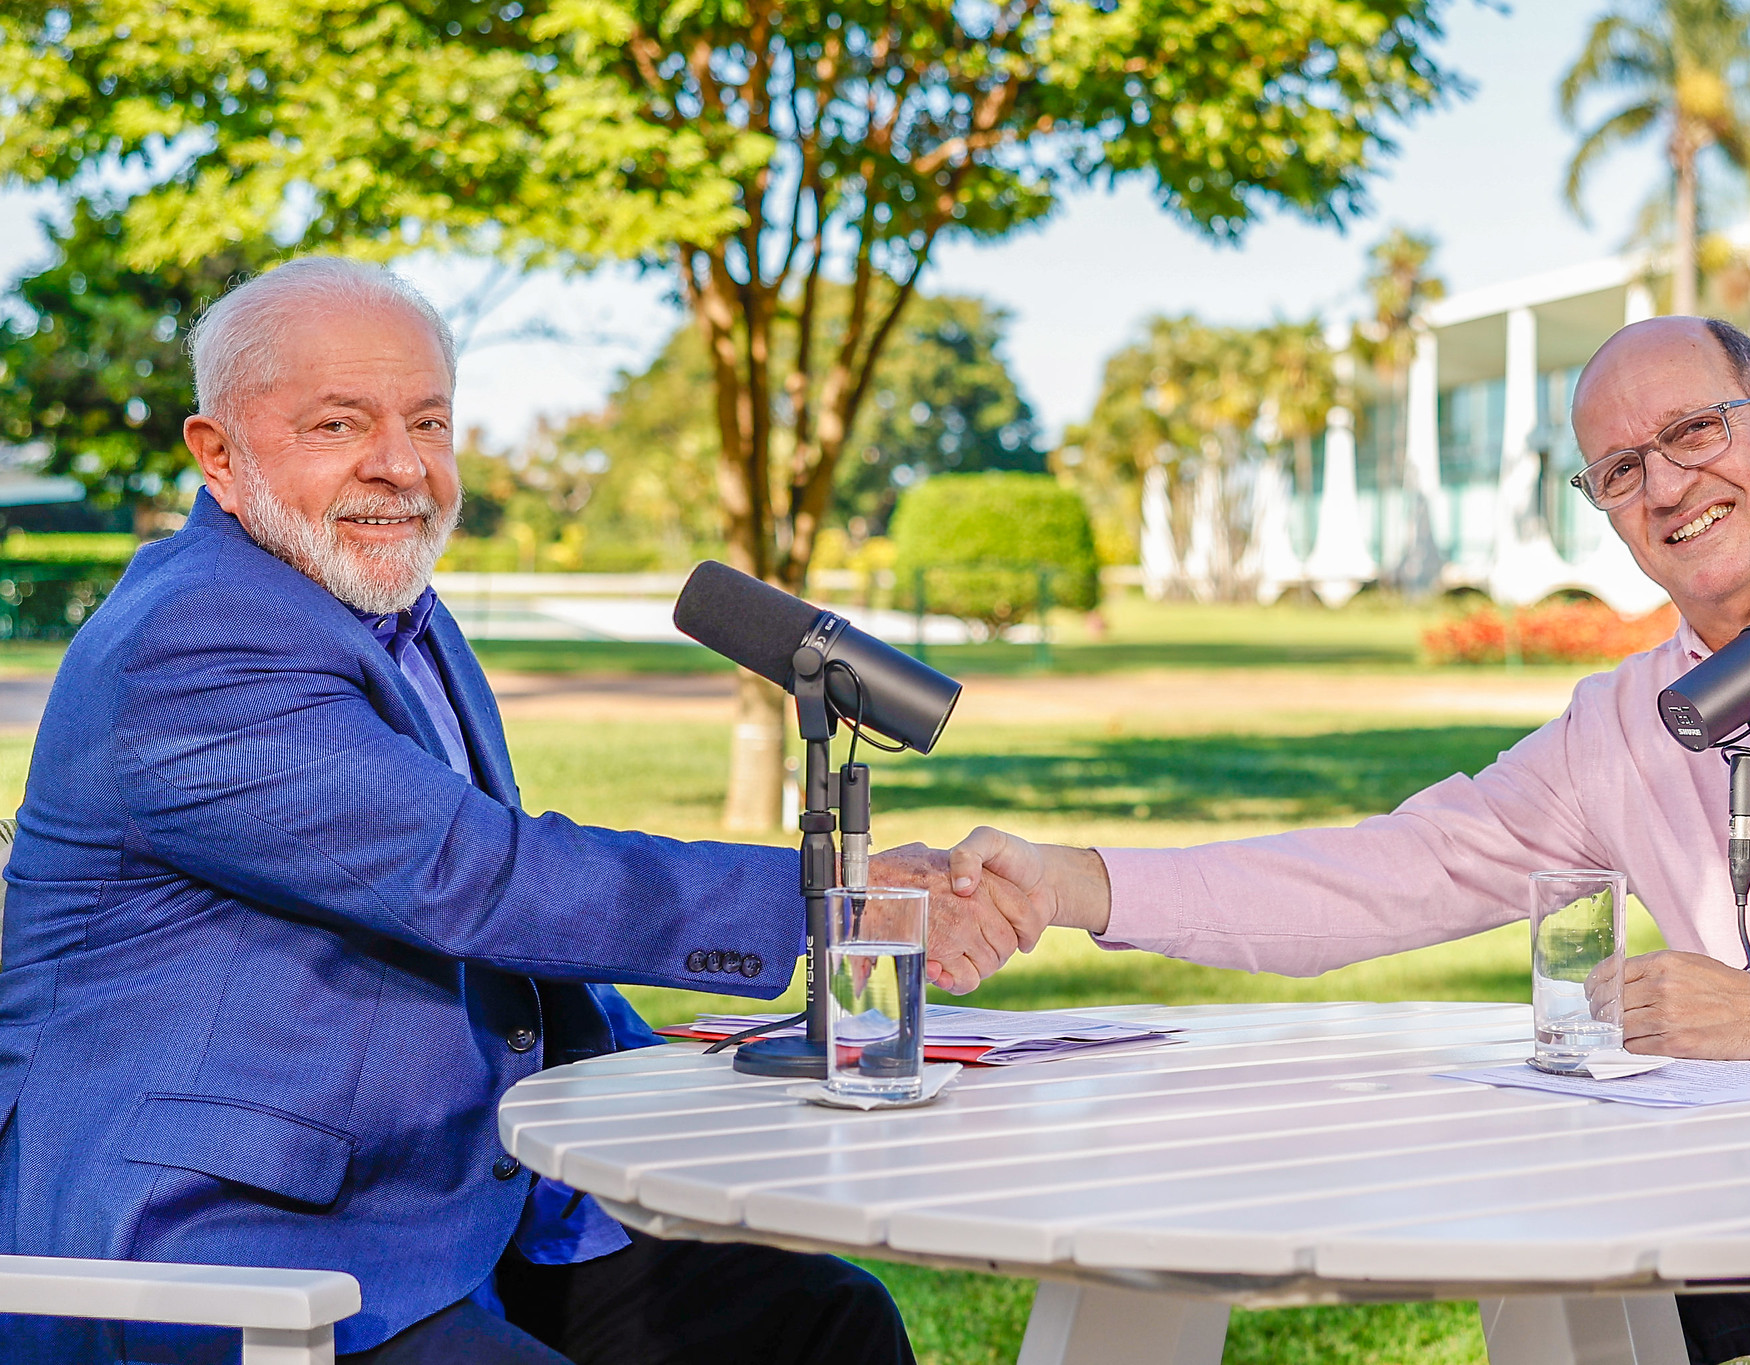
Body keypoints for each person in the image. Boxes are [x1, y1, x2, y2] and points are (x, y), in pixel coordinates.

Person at [909, 315, 1750, 1363]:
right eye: (1618, 469)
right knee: (1560, 1295)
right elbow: (1387, 876)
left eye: (1692, 431)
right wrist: (1077, 884)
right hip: (1747, 1226)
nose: (1663, 485)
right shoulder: (1622, 726)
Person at [0, 257, 1018, 1364]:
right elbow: (474, 877)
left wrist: (681, 1057)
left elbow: (505, 938)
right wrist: (830, 904)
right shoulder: (193, 641)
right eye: (339, 424)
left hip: (458, 1207)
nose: (400, 465)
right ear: (219, 455)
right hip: (235, 1250)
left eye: (428, 422)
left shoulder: (391, 606)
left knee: (825, 1322)